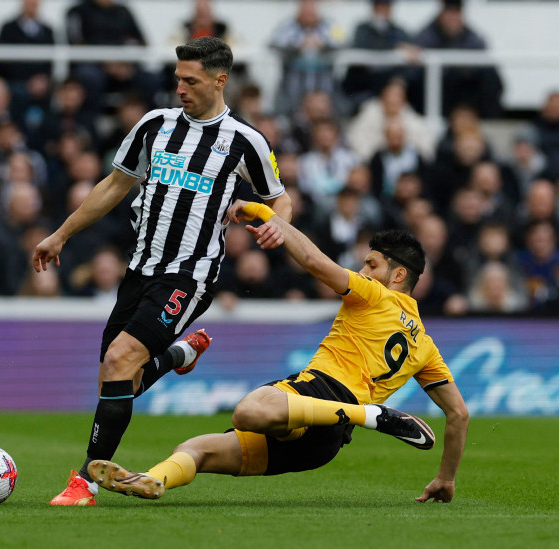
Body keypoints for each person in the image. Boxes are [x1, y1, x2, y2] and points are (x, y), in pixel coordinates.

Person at [32, 37, 292, 506]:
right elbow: (115, 184)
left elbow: (279, 196)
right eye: (177, 79)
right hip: (140, 269)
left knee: (118, 360)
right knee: (117, 382)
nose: (180, 89)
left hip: (190, 275)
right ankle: (178, 357)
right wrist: (61, 234)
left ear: (220, 80)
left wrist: (277, 225)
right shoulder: (155, 126)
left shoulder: (244, 140)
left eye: (191, 81)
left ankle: (84, 484)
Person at [87, 204, 468, 504]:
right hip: (323, 443)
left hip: (319, 395)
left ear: (397, 276)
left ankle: (371, 415)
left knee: (247, 411)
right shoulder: (426, 347)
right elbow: (458, 414)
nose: (362, 270)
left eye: (371, 264)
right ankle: (154, 480)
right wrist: (446, 479)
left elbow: (315, 262)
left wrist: (270, 216)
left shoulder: (374, 294)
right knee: (195, 449)